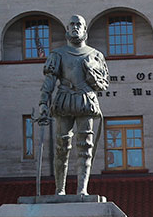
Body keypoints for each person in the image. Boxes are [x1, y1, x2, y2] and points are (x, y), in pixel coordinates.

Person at [37, 14, 109, 197]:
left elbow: (104, 84)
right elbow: (49, 81)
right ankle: (60, 189)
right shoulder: (58, 54)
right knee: (62, 146)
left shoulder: (96, 55)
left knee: (85, 146)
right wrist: (43, 103)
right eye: (72, 25)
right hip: (64, 100)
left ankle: (82, 189)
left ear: (85, 30)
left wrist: (92, 75)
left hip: (86, 100)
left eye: (79, 24)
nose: (75, 27)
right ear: (67, 30)